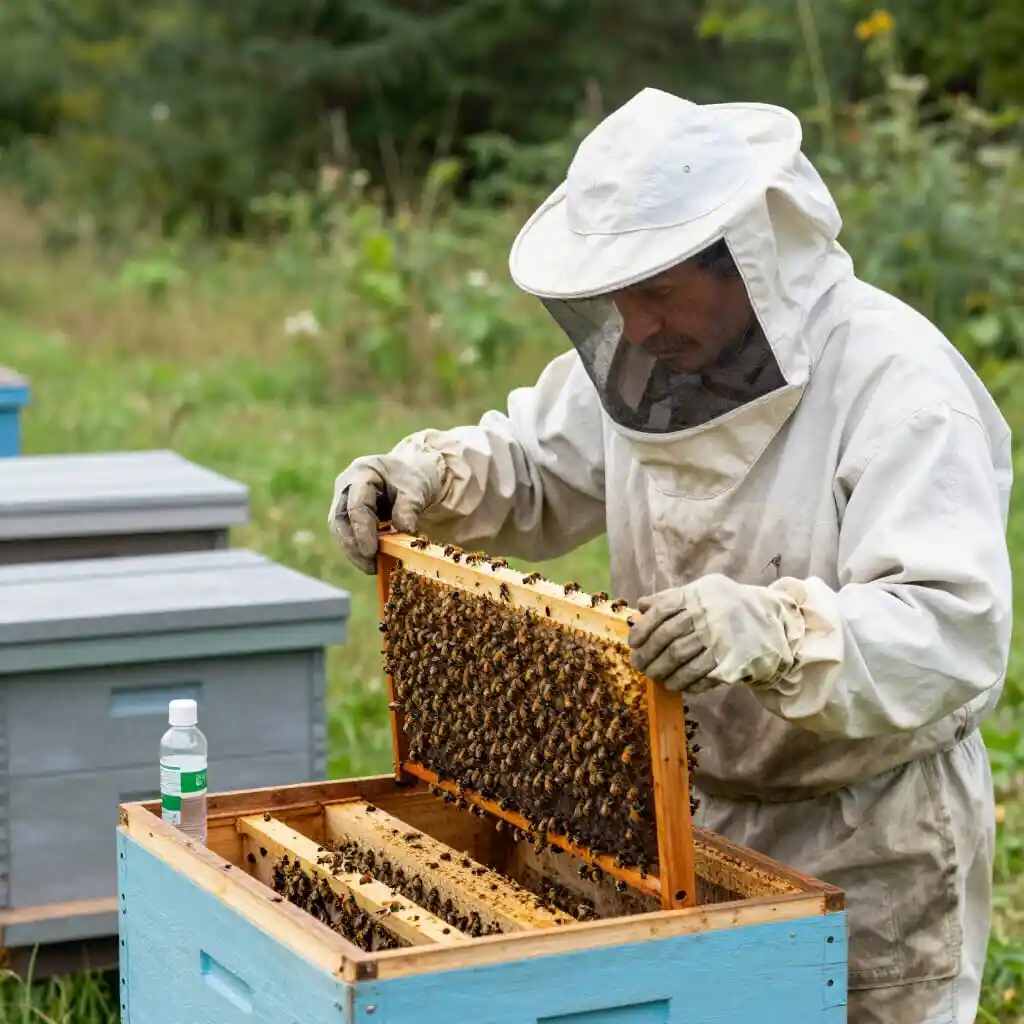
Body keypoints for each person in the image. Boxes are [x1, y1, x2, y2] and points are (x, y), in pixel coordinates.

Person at [327, 87, 1012, 1023]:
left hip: (866, 832)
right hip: (681, 808)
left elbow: (950, 626)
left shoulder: (901, 385)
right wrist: (434, 477)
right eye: (619, 297)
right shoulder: (649, 360)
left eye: (657, 291)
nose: (636, 324)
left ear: (745, 264)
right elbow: (535, 465)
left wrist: (777, 627)